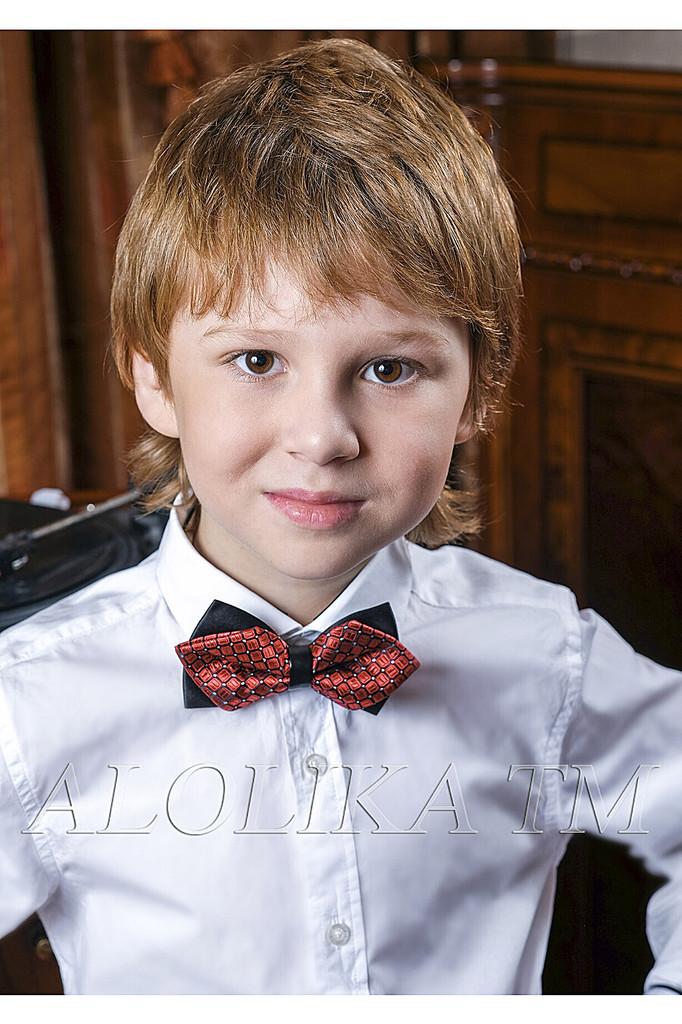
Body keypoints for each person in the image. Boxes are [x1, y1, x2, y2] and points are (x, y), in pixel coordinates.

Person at [0, 37, 680, 996]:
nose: (321, 437)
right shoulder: (31, 702)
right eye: (256, 361)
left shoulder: (544, 655)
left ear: (478, 391)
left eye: (390, 368)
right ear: (154, 379)